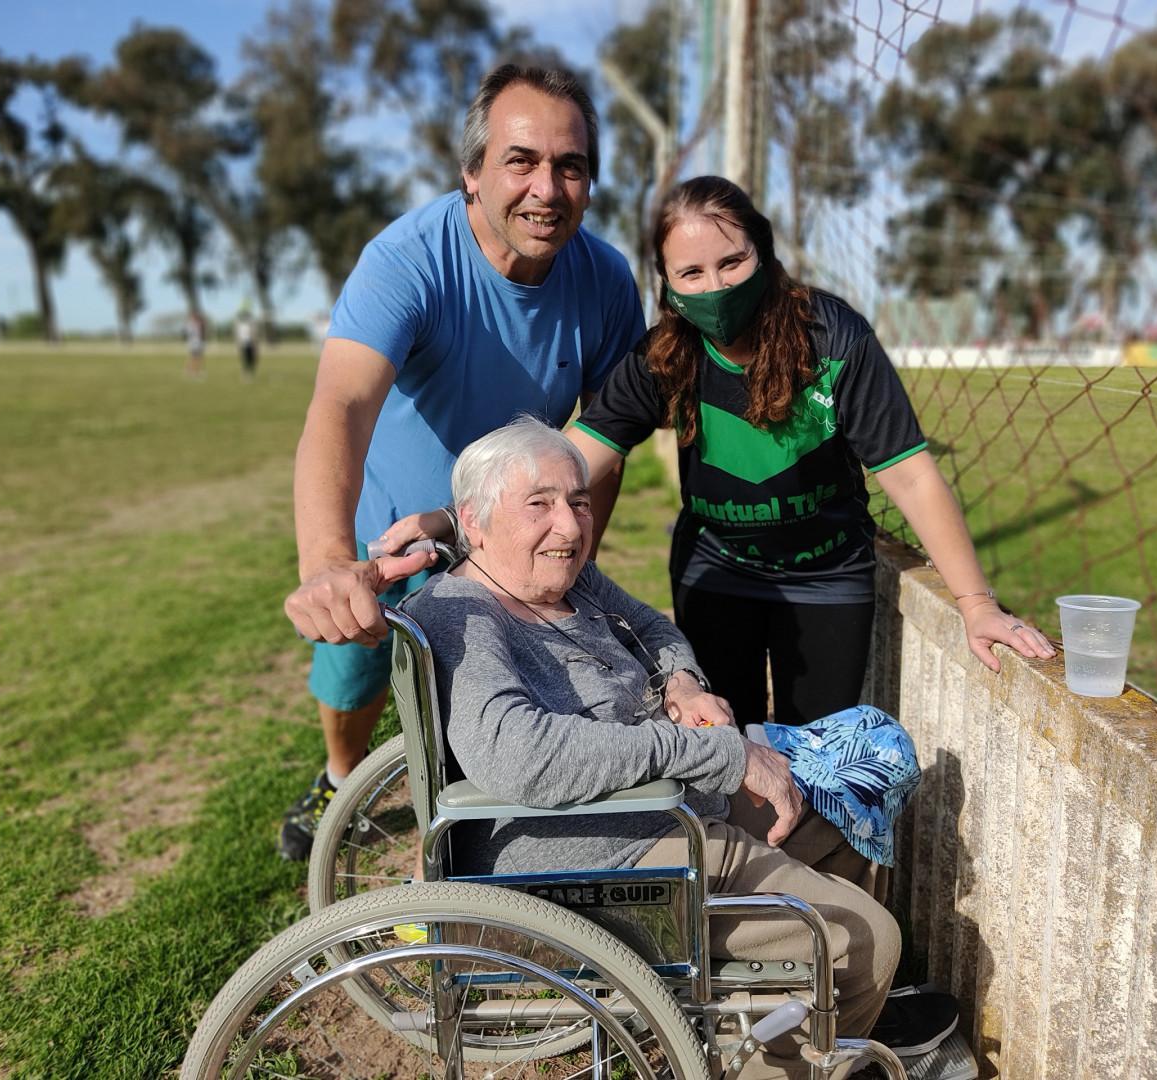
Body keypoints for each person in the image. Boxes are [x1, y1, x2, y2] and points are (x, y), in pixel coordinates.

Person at [401, 419, 961, 1069]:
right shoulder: (461, 614)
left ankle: (812, 1014)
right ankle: (796, 1039)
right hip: (604, 856)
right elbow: (518, 754)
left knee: (844, 813)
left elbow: (651, 625)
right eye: (539, 504)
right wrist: (718, 754)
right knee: (868, 939)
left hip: (669, 806)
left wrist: (683, 684)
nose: (570, 526)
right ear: (473, 521)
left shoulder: (568, 579)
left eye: (578, 501)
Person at [277, 63, 644, 861]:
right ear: (472, 173)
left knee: (500, 691)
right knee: (354, 673)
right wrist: (329, 560)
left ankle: (492, 852)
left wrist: (573, 558)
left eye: (570, 166)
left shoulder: (608, 282)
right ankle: (340, 776)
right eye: (521, 160)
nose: (546, 188)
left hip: (512, 534)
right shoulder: (406, 260)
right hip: (394, 529)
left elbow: (606, 437)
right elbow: (340, 405)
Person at [561, 176, 1055, 729]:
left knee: (820, 751)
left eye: (732, 262)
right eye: (691, 273)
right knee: (726, 745)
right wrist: (490, 533)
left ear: (764, 252)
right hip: (716, 568)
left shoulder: (834, 338)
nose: (715, 288)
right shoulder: (664, 356)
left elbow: (911, 476)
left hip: (828, 573)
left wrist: (976, 604)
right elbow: (571, 461)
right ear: (667, 283)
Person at [235, 309, 258, 382]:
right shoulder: (240, 326)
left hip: (250, 344)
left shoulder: (250, 325)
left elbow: (254, 334)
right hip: (243, 344)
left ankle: (250, 372)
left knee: (251, 359)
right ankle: (245, 372)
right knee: (245, 359)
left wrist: (254, 342)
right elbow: (238, 336)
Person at [184, 312, 206, 379]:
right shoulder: (191, 324)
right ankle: (192, 371)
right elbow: (189, 333)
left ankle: (195, 371)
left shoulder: (197, 324)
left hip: (197, 342)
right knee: (194, 357)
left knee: (197, 357)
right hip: (193, 343)